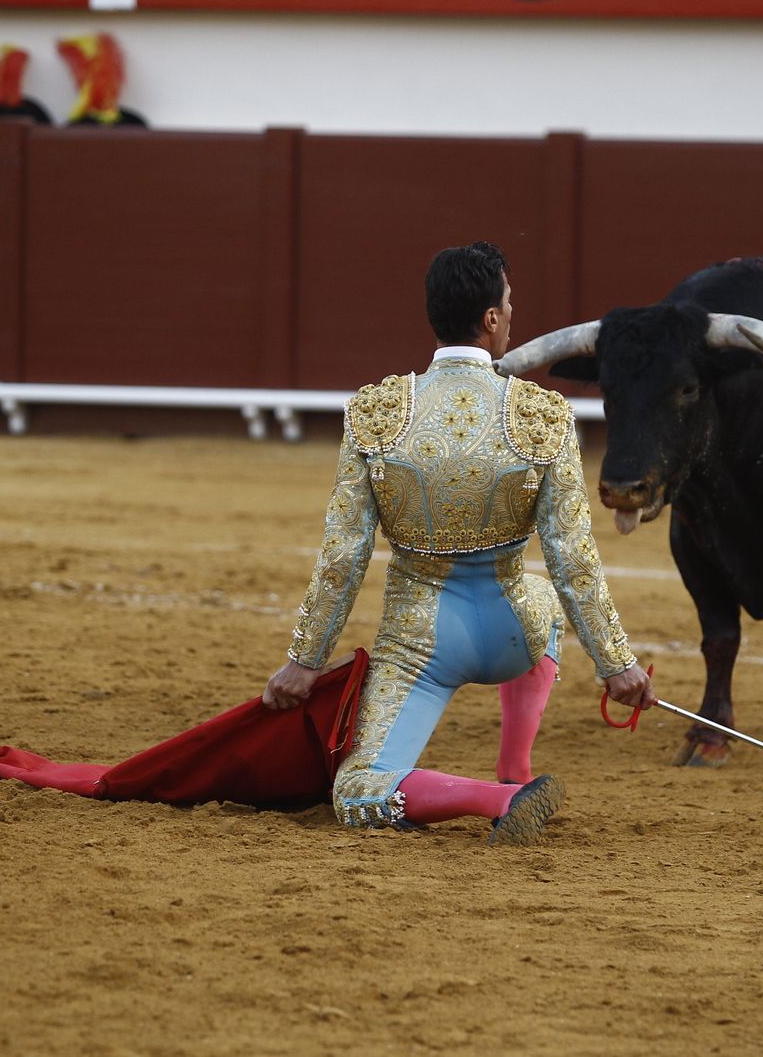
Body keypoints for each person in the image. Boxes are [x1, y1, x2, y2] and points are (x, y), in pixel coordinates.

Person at [264, 242, 655, 845]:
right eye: (509, 304)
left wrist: (305, 660)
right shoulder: (543, 415)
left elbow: (344, 554)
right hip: (514, 633)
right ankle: (515, 768)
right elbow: (572, 555)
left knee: (359, 790)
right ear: (492, 319)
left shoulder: (377, 411)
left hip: (419, 644)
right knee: (545, 589)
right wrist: (617, 666)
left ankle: (499, 796)